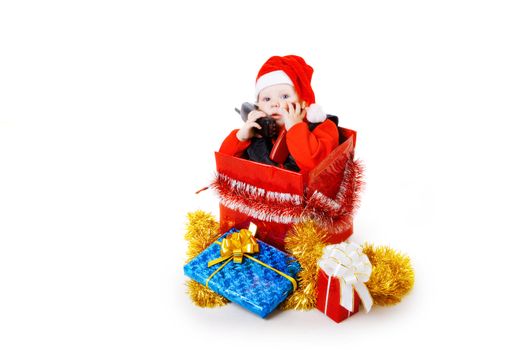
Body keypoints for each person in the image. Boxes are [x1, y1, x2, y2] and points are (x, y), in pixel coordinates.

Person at [219, 55, 339, 175]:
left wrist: (295, 128)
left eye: (284, 96)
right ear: (257, 106)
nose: (274, 104)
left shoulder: (323, 127)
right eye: (266, 99)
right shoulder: (255, 132)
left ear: (303, 101)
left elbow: (315, 165)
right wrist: (241, 137)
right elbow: (224, 167)